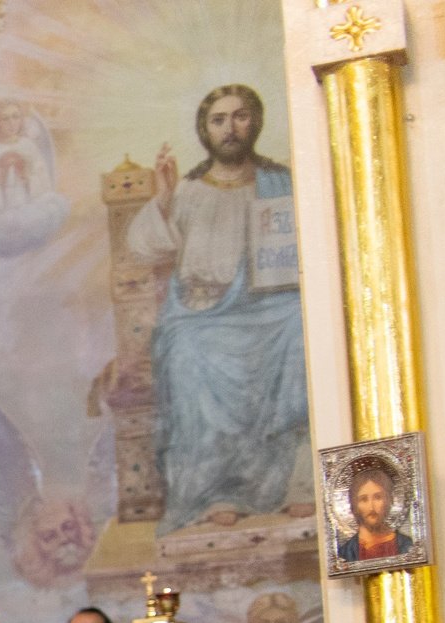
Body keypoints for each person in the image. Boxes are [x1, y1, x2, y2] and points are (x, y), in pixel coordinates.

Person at [127, 85, 311, 532]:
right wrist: (165, 196)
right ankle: (215, 494)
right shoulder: (188, 190)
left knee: (300, 332)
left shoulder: (282, 183)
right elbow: (143, 247)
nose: (231, 128)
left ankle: (298, 486)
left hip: (271, 310)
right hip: (202, 315)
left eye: (241, 116)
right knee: (186, 351)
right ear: (205, 130)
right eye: (219, 119)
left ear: (256, 122)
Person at [334, 458, 415, 565]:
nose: (371, 508)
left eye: (377, 497)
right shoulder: (345, 553)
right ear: (354, 505)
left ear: (389, 500)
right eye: (364, 499)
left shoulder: (406, 546)